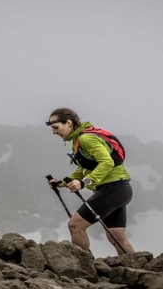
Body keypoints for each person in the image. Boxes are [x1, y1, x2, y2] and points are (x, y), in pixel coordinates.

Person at [47, 108, 135, 255]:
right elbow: (85, 167)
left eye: (56, 127)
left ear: (68, 123)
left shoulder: (85, 138)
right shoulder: (79, 139)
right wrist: (62, 182)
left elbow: (107, 162)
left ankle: (83, 269)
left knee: (75, 225)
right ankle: (137, 270)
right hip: (121, 189)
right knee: (117, 236)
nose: (54, 132)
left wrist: (84, 183)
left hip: (113, 188)